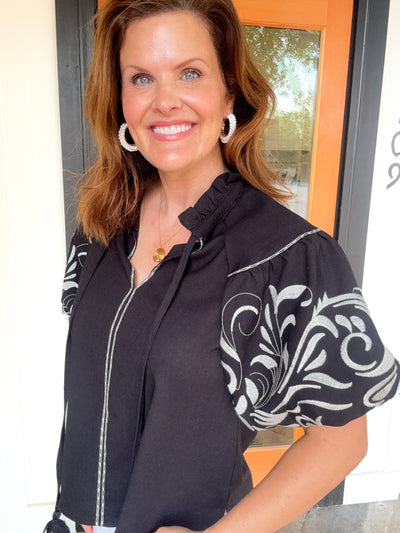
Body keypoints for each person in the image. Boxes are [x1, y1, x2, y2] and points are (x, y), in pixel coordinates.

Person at [45, 1, 400, 532]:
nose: (165, 100)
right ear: (119, 100)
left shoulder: (287, 256)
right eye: (141, 78)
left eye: (189, 72)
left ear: (229, 91)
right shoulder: (99, 229)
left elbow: (342, 439)